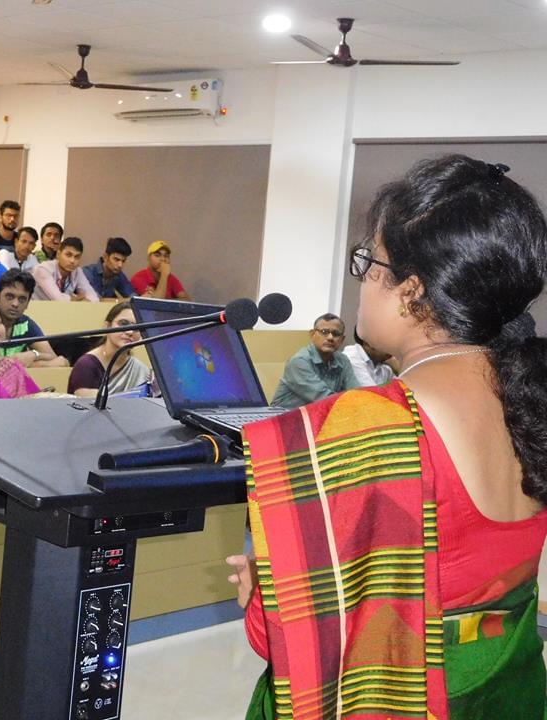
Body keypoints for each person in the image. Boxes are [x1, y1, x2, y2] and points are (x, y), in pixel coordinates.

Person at [231, 154, 547, 719]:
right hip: (507, 687)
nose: (361, 283)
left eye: (368, 263)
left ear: (412, 291)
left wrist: (265, 582)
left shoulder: (369, 423)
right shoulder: (530, 397)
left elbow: (283, 638)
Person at [271, 313, 359, 409]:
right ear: (312, 334)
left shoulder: (343, 360)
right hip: (283, 418)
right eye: (324, 332)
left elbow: (356, 393)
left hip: (319, 416)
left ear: (342, 339)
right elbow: (325, 399)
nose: (330, 338)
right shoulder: (299, 362)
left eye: (336, 334)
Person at [67, 300, 151, 396]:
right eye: (123, 323)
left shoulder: (140, 370)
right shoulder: (86, 365)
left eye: (137, 327)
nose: (130, 332)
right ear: (107, 326)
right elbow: (87, 407)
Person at [0, 269, 67, 368]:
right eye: (10, 297)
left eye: (22, 299)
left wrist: (33, 355)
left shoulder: (26, 324)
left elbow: (56, 360)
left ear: (28, 303)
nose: (15, 304)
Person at [32, 236, 98, 302]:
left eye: (77, 257)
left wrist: (82, 300)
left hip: (60, 310)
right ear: (58, 254)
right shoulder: (43, 269)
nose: (72, 261)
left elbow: (94, 298)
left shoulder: (77, 271)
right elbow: (58, 299)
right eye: (68, 255)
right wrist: (76, 298)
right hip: (35, 310)